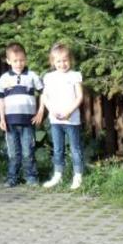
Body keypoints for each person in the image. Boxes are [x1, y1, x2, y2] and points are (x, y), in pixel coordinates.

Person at [0, 43, 43, 187]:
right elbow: (0, 100)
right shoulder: (3, 79)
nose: (19, 63)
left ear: (25, 59)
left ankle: (31, 177)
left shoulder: (32, 76)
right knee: (13, 153)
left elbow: (44, 93)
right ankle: (12, 178)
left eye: (21, 60)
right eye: (15, 61)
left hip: (28, 121)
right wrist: (2, 119)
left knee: (28, 151)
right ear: (8, 61)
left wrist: (40, 111)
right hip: (10, 122)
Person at [38, 42, 85, 189]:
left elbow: (79, 97)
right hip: (55, 120)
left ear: (70, 60)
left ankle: (78, 176)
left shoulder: (74, 76)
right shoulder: (49, 77)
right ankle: (58, 175)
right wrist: (52, 110)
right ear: (52, 62)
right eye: (58, 61)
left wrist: (69, 112)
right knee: (58, 149)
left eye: (65, 60)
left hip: (71, 120)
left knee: (75, 149)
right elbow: (45, 97)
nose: (62, 64)